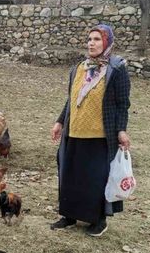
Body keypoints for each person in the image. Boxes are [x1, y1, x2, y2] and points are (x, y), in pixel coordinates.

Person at [50, 23, 131, 237]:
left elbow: (123, 104)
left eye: (97, 39)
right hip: (74, 131)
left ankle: (98, 221)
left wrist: (122, 130)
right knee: (70, 176)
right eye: (89, 39)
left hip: (99, 135)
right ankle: (68, 216)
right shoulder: (79, 68)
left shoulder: (116, 69)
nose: (91, 43)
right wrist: (60, 122)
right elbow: (71, 99)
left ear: (107, 43)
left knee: (95, 179)